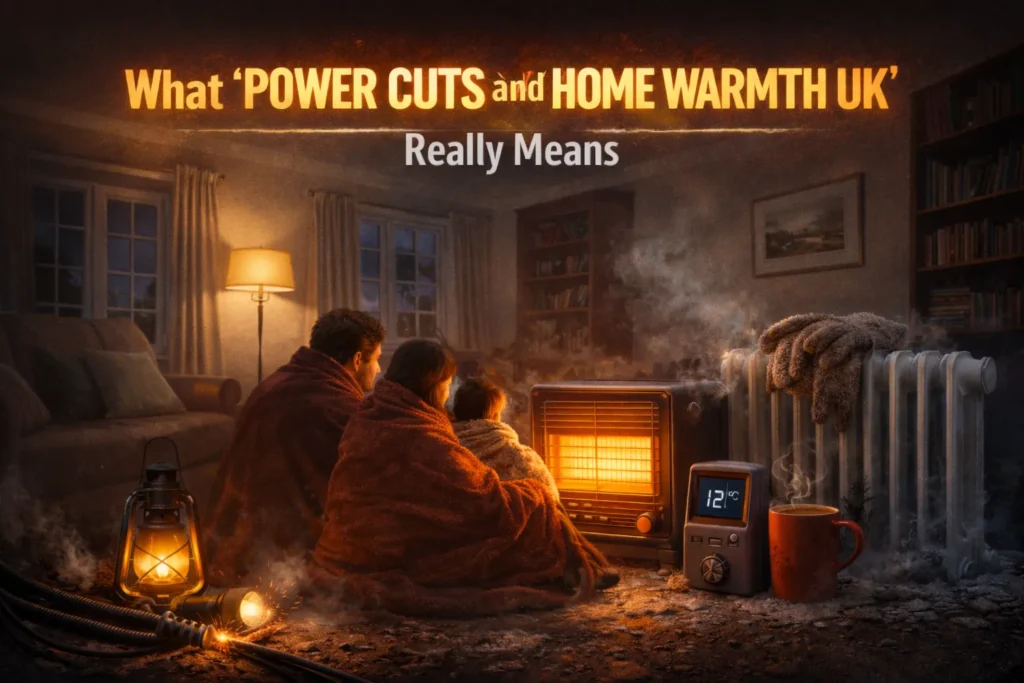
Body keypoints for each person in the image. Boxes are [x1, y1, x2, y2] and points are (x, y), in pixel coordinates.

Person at [311, 339, 617, 617]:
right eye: (446, 384)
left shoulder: (370, 413)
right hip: (402, 548)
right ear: (432, 384)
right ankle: (581, 568)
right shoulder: (420, 432)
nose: (447, 393)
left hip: (349, 541)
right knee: (536, 500)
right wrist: (527, 492)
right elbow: (478, 501)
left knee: (528, 497)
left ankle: (584, 563)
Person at [203, 309, 384, 585]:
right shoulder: (338, 405)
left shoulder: (274, 383)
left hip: (235, 535)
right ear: (358, 359)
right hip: (285, 552)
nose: (379, 370)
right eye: (378, 360)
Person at [451, 377, 560, 503]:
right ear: (496, 415)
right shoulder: (519, 457)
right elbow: (551, 500)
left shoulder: (445, 448)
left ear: (457, 412)